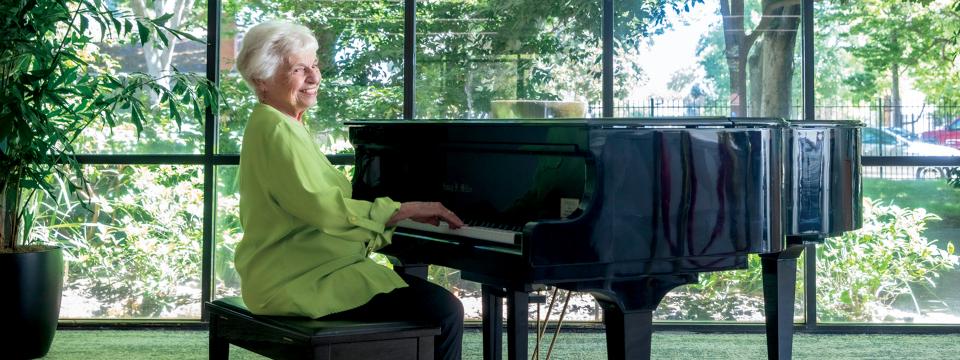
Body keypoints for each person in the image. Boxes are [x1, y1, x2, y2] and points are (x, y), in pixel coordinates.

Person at [233, 20, 465, 360]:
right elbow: (325, 209)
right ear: (261, 80)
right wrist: (403, 211)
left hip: (304, 270)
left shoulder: (282, 122)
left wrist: (391, 216)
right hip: (298, 281)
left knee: (426, 305)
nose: (314, 78)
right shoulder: (276, 129)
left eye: (314, 65)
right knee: (445, 311)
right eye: (300, 69)